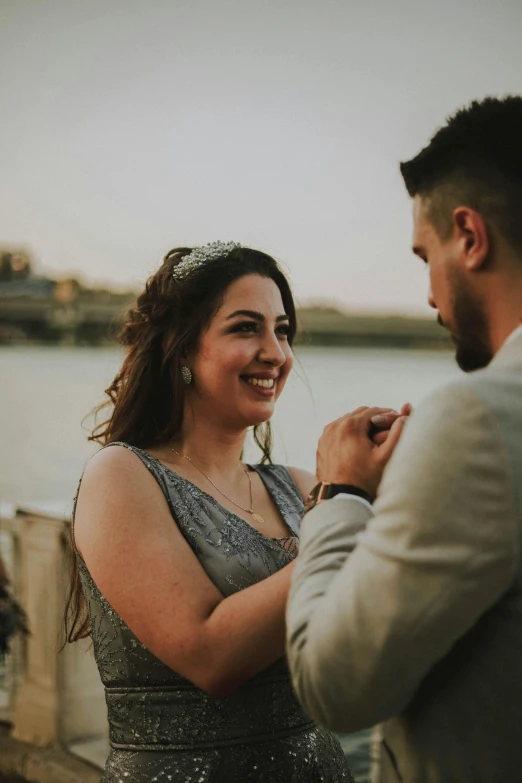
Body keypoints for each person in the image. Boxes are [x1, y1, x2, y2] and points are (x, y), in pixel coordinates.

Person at [286, 95, 522, 783]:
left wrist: (343, 491)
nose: (427, 295)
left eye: (425, 257)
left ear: (469, 236)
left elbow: (333, 686)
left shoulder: (479, 418)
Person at [65, 242, 362, 782]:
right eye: (246, 327)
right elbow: (210, 656)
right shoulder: (122, 476)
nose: (276, 352)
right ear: (182, 350)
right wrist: (344, 504)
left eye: (283, 330)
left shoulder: (299, 489)